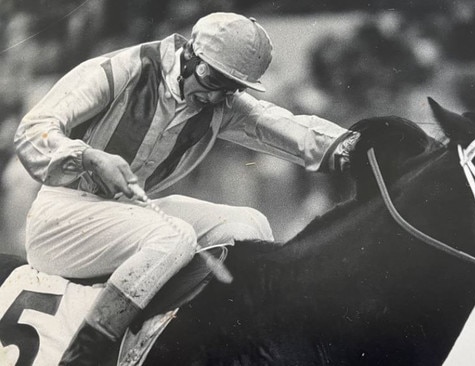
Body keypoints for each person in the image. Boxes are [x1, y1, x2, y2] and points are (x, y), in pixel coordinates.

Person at [14, 12, 358, 365]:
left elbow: (278, 126)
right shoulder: (121, 69)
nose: (215, 97)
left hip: (127, 216)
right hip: (59, 216)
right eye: (213, 79)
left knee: (247, 225)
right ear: (191, 54)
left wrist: (354, 146)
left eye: (231, 87)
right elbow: (32, 130)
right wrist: (89, 158)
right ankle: (83, 356)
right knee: (173, 236)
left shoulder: (218, 99)